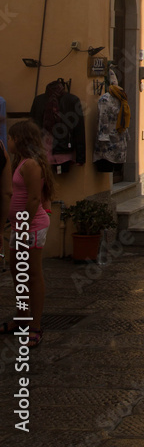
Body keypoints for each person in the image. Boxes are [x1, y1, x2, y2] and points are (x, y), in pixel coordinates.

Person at [1, 120, 56, 348]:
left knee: (32, 274)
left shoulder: (31, 165)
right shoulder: (21, 162)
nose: (9, 141)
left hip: (31, 227)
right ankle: (21, 317)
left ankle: (35, 326)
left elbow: (34, 199)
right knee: (17, 271)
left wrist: (23, 227)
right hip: (19, 227)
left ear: (20, 140)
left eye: (11, 137)